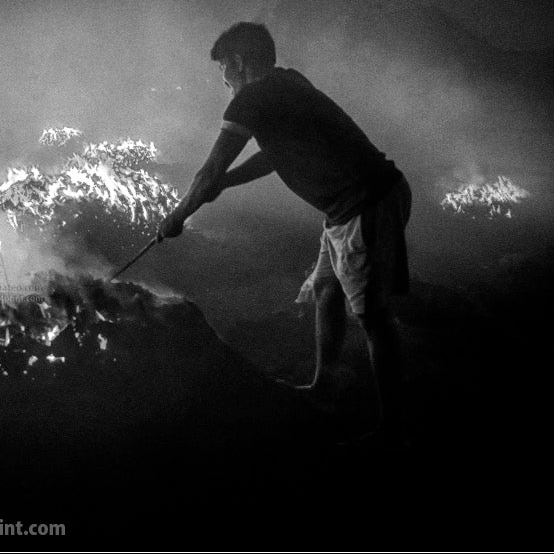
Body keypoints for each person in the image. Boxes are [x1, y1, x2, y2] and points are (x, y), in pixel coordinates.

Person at [157, 22, 412, 445]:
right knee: (328, 291)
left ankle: (395, 431)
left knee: (374, 320)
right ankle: (324, 387)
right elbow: (273, 157)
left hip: (364, 205)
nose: (226, 85)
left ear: (239, 62)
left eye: (225, 74)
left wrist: (177, 217)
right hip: (349, 207)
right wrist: (228, 183)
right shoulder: (289, 83)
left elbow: (207, 172)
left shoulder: (252, 98)